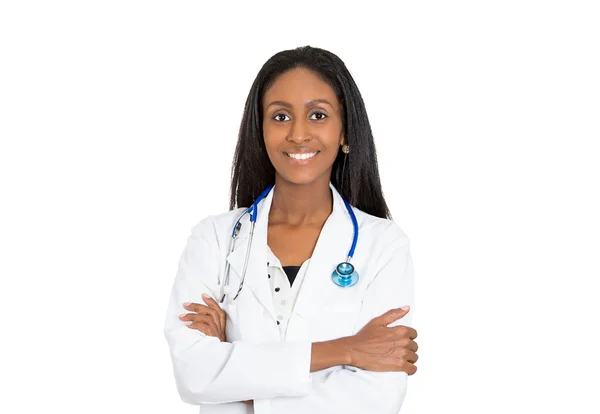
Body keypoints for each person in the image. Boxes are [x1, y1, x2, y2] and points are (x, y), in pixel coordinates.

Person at [164, 45, 419, 414]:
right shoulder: (214, 239)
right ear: (261, 131)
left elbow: (375, 400)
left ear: (345, 132)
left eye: (318, 115)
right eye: (280, 116)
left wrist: (235, 376)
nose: (299, 134)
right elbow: (193, 376)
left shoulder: (384, 246)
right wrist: (345, 350)